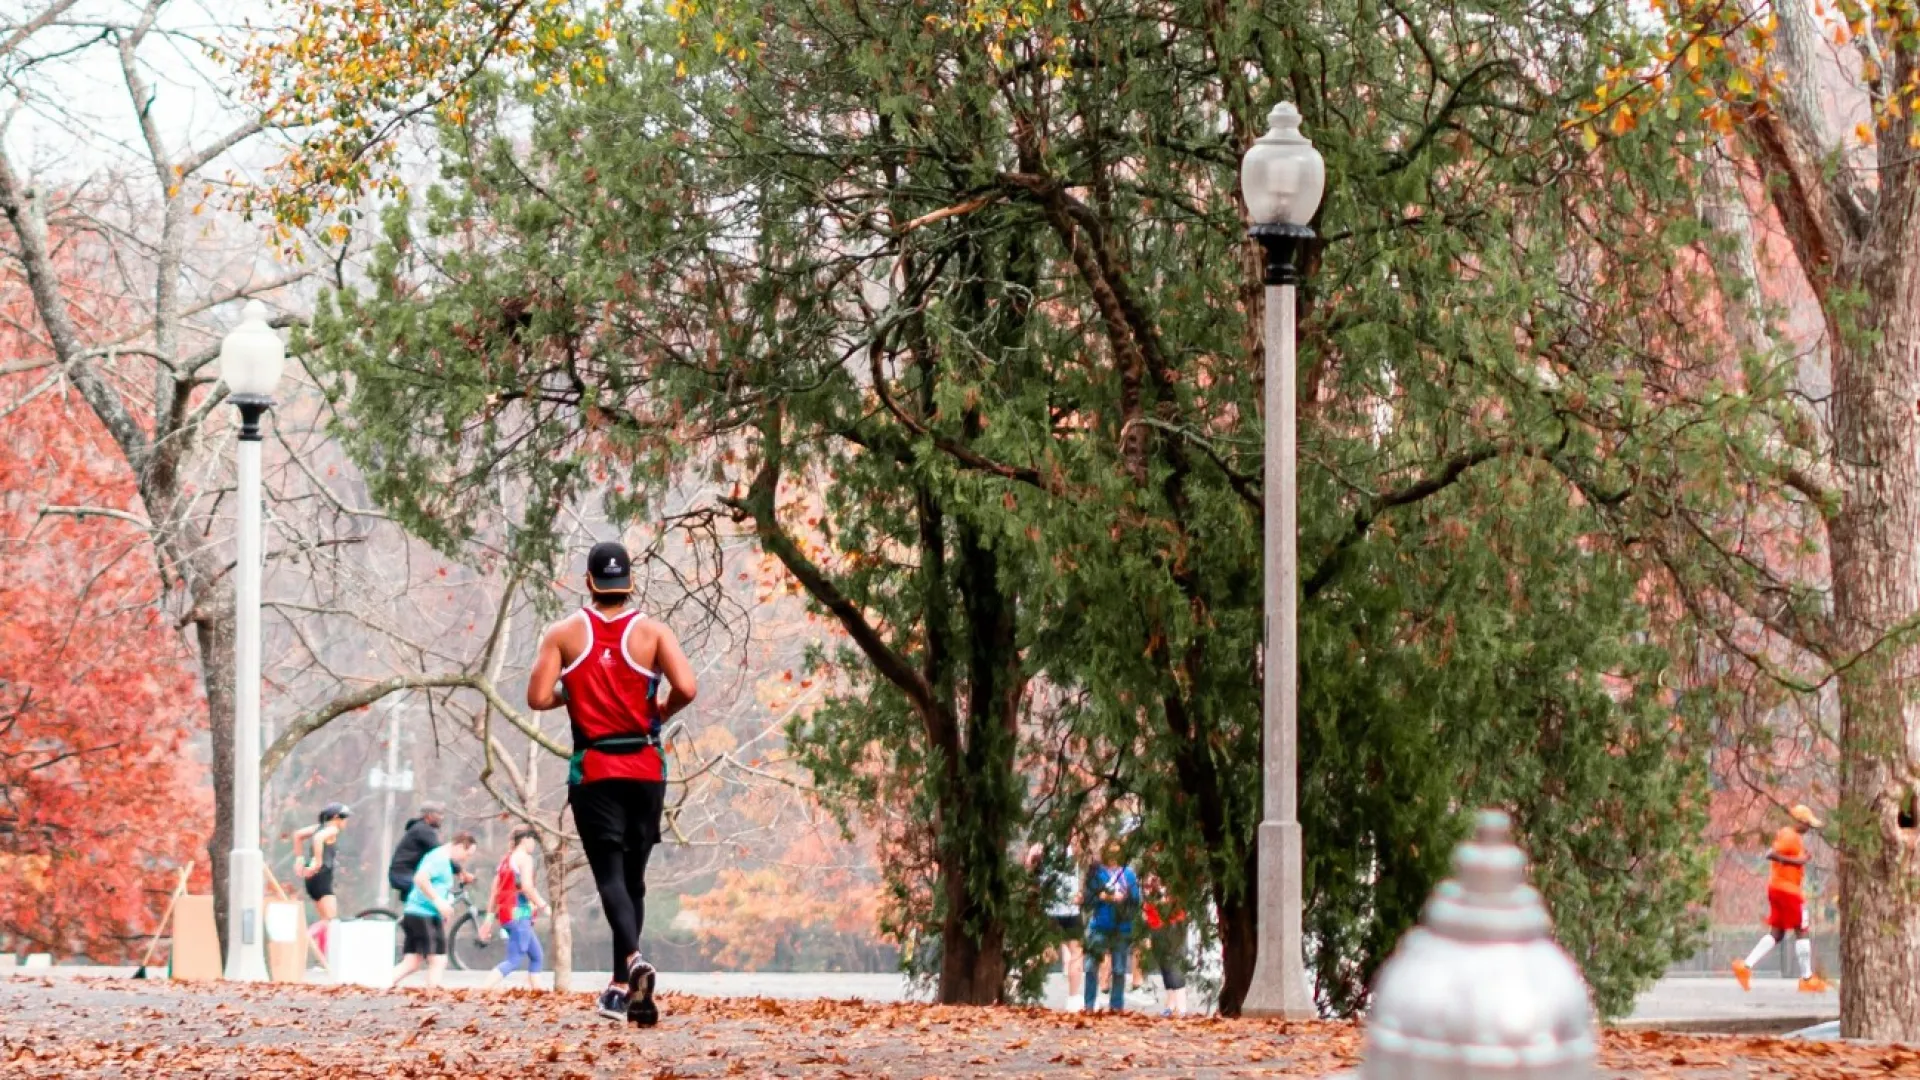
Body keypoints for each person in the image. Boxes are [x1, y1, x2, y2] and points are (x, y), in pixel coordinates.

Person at [527, 540, 697, 1025]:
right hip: (646, 766)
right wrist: (662, 710)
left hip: (596, 768)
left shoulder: (563, 634)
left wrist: (574, 689)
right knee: (634, 878)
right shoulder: (653, 633)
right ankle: (623, 987)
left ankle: (630, 965)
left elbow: (538, 697)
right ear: (629, 584)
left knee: (609, 877)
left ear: (589, 583)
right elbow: (687, 687)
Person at [1732, 804, 1830, 993]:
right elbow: (1770, 854)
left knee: (1777, 933)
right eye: (1807, 824)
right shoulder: (1789, 835)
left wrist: (1799, 859)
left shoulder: (1791, 836)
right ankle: (1807, 979)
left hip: (1777, 888)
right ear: (1799, 821)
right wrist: (1798, 861)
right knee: (1802, 928)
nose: (1808, 829)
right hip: (1788, 891)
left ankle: (1745, 967)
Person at [393, 831, 478, 989]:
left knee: (411, 962)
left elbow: (438, 886)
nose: (467, 858)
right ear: (459, 846)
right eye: (467, 853)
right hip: (423, 914)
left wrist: (442, 907)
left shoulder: (443, 859)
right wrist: (438, 901)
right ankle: (433, 995)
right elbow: (420, 878)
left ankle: (379, 985)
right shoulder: (438, 858)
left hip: (420, 913)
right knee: (438, 960)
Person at [482, 826, 550, 990]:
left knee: (536, 956)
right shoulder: (525, 859)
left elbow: (494, 892)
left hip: (508, 915)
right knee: (514, 960)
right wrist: (544, 905)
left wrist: (488, 921)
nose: (534, 844)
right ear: (525, 839)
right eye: (533, 839)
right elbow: (527, 887)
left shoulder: (506, 860)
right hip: (518, 914)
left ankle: (538, 994)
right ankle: (482, 990)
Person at [1081, 840, 1140, 1012]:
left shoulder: (1128, 874)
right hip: (1099, 924)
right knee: (1091, 966)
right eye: (1110, 851)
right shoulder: (1097, 873)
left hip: (1122, 927)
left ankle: (1116, 1006)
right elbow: (1089, 898)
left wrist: (1125, 897)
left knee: (1120, 969)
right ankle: (1089, 1005)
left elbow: (1136, 900)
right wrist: (1102, 896)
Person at [1025, 842, 1084, 1010]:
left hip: (1060, 909)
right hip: (1060, 909)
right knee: (1060, 952)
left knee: (1071, 952)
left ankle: (1073, 997)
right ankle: (1072, 998)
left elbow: (1029, 869)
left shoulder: (1043, 848)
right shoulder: (1067, 847)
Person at [292, 803, 350, 960]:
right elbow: (318, 839)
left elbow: (298, 835)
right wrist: (317, 861)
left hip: (313, 879)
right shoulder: (332, 829)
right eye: (344, 818)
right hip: (322, 876)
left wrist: (299, 859)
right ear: (336, 818)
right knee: (331, 920)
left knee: (326, 921)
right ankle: (305, 938)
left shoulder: (318, 827)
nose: (346, 822)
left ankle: (323, 958)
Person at [1141, 873, 1189, 1017]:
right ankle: (1171, 1002)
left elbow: (1175, 903)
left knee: (1173, 963)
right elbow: (1146, 909)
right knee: (1164, 966)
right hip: (1155, 927)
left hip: (1172, 926)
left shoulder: (1173, 880)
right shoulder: (1149, 882)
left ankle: (1182, 1005)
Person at [386, 805, 444, 901]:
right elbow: (439, 852)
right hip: (403, 875)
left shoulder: (422, 829)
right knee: (429, 892)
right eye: (438, 814)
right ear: (429, 816)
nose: (442, 818)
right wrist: (460, 871)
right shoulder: (423, 830)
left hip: (407, 873)